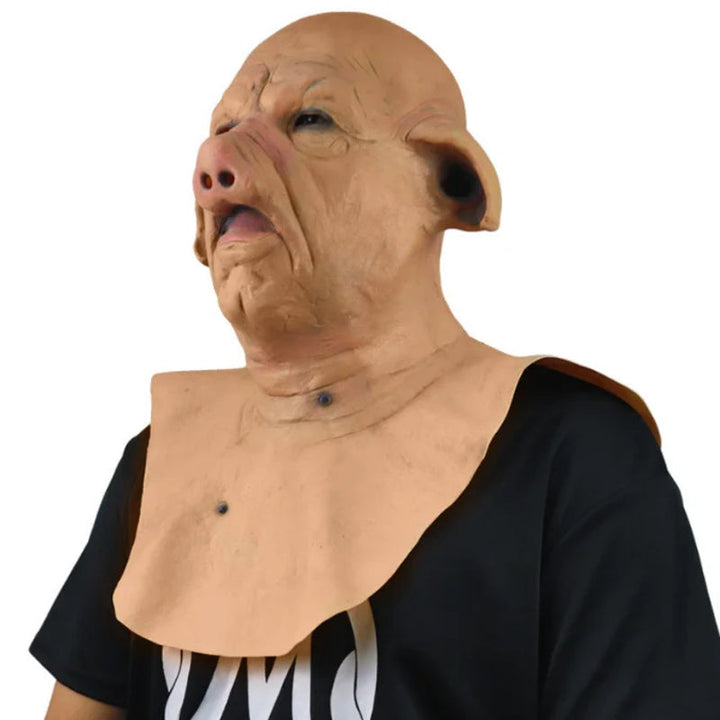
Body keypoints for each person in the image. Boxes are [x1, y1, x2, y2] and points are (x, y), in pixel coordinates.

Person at [31, 11, 720, 719]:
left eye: (311, 120)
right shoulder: (162, 461)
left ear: (451, 182)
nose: (217, 168)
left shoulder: (570, 456)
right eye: (224, 128)